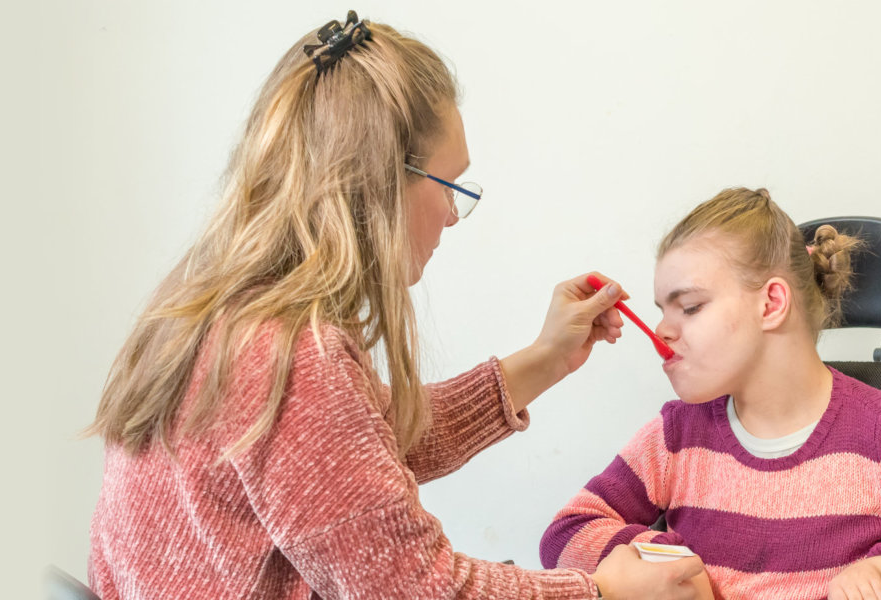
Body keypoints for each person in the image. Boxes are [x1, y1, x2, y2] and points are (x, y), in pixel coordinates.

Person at [85, 12, 703, 599]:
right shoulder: (289, 358)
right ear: (383, 180)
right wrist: (601, 590)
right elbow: (418, 589)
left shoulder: (217, 313)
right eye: (451, 187)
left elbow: (357, 458)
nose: (453, 217)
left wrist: (547, 357)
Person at [540, 188, 881, 600]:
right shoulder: (676, 436)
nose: (662, 330)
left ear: (773, 303)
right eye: (662, 309)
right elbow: (567, 534)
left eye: (688, 307)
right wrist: (663, 562)